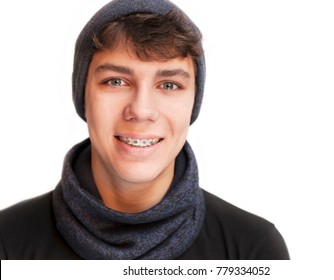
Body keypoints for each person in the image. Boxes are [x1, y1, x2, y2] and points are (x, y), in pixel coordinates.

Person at [0, 0, 289, 260]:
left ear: (193, 103)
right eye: (116, 81)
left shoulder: (252, 250)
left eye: (169, 85)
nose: (140, 110)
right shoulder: (8, 243)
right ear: (82, 95)